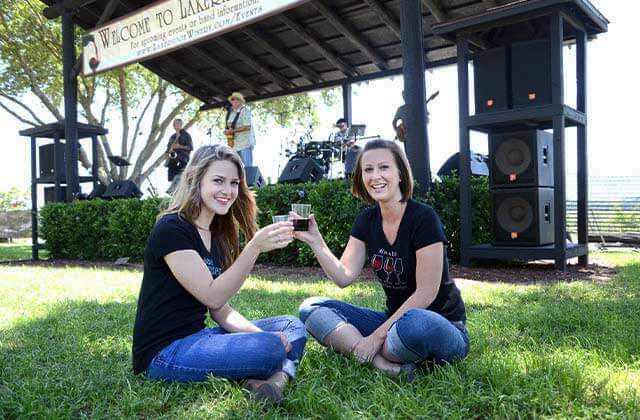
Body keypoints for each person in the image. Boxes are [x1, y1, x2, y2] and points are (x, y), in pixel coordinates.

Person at [132, 144, 307, 402]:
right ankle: (274, 375)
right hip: (164, 353)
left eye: (234, 183)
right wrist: (255, 246)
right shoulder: (172, 229)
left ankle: (274, 382)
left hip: (200, 338)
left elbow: (220, 310)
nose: (228, 191)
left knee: (291, 325)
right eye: (218, 181)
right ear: (196, 179)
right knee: (271, 349)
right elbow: (212, 296)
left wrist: (262, 335)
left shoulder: (218, 236)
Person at [296, 139, 469, 380]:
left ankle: (372, 348)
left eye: (384, 167)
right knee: (311, 307)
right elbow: (343, 276)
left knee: (415, 324)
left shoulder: (424, 218)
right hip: (393, 322)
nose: (375, 176)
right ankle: (386, 366)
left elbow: (426, 293)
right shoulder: (366, 221)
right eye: (368, 169)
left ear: (400, 173)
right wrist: (315, 240)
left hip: (441, 325)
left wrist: (375, 337)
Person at [224, 92, 255, 167]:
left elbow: (247, 127)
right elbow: (228, 126)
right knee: (236, 167)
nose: (233, 101)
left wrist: (233, 131)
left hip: (245, 144)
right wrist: (226, 131)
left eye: (235, 99)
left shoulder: (245, 111)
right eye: (232, 99)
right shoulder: (230, 113)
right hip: (234, 145)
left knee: (248, 167)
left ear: (240, 101)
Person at [166, 118, 193, 194]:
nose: (175, 125)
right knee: (173, 179)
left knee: (180, 177)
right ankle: (173, 193)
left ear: (181, 125)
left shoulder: (186, 135)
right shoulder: (172, 137)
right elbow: (167, 149)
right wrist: (170, 151)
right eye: (174, 124)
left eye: (177, 123)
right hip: (172, 161)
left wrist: (179, 146)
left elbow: (190, 147)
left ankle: (175, 192)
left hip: (182, 159)